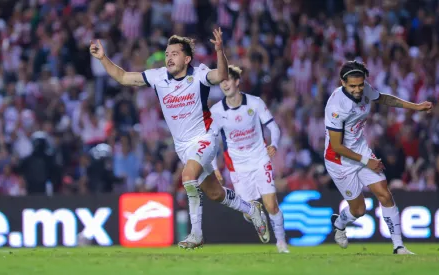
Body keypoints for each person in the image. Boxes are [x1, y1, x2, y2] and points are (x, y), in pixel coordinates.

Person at [90, 28, 269, 249]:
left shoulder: (199, 74)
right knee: (214, 193)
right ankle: (252, 209)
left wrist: (220, 50)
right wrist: (102, 58)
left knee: (187, 176)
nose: (169, 57)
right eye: (167, 54)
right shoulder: (157, 77)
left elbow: (221, 75)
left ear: (187, 59)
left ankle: (196, 234)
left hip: (204, 137)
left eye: (174, 53)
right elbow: (124, 77)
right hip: (183, 146)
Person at [324, 60, 433, 254]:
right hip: (339, 160)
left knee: (384, 193)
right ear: (342, 83)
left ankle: (399, 246)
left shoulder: (363, 87)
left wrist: (415, 107)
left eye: (360, 85)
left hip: (360, 149)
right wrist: (368, 162)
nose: (358, 90)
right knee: (359, 210)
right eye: (353, 86)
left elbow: (383, 98)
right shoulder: (336, 106)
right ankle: (339, 223)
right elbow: (337, 146)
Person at [210, 65, 289, 253]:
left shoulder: (255, 103)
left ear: (237, 82)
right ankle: (256, 214)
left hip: (260, 158)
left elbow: (274, 127)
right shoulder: (216, 111)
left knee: (271, 204)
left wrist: (274, 144)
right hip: (237, 165)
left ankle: (281, 243)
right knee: (248, 212)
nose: (225, 84)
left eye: (228, 80)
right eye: (222, 81)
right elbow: (211, 142)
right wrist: (214, 168)